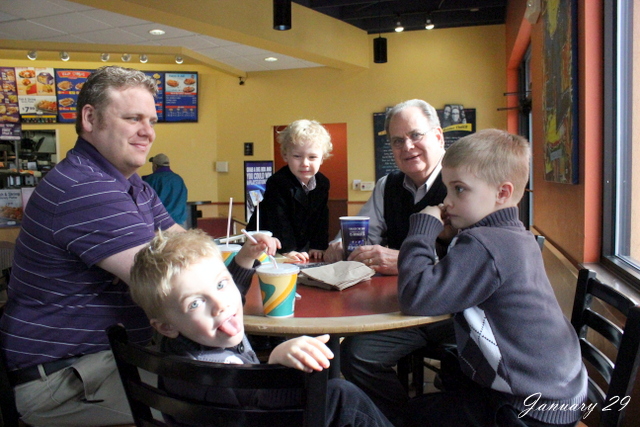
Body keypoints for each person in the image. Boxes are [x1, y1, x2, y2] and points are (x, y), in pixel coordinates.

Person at [0, 66, 185, 427]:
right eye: (133, 118)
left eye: (151, 121)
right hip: (63, 380)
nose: (148, 132)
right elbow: (171, 283)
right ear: (89, 118)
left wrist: (239, 257)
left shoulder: (135, 186)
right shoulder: (85, 187)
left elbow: (189, 250)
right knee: (209, 406)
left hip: (110, 359)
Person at [398, 129, 587, 426]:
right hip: (560, 392)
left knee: (411, 415)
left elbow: (414, 296)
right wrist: (447, 239)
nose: (447, 201)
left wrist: (422, 229)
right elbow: (459, 282)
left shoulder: (484, 244)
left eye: (459, 189)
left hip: (525, 410)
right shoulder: (514, 235)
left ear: (502, 193)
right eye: (447, 189)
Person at [128, 229, 393, 427]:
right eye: (195, 303)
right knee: (340, 396)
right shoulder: (218, 375)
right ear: (165, 326)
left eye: (221, 284)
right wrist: (273, 367)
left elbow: (230, 292)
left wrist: (245, 258)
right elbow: (259, 409)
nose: (221, 305)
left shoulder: (178, 344)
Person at [325, 99, 455, 425]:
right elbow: (360, 232)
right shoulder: (388, 186)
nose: (407, 146)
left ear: (438, 136)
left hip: (456, 312)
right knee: (355, 356)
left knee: (464, 372)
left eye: (415, 135)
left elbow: (476, 263)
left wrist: (408, 260)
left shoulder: (463, 182)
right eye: (397, 141)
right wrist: (339, 245)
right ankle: (399, 420)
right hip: (401, 310)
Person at [247, 119, 333, 263]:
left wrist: (318, 245)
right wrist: (288, 249)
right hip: (268, 244)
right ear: (285, 156)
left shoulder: (323, 183)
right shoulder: (277, 182)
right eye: (297, 156)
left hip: (300, 244)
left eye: (312, 157)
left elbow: (321, 217)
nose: (305, 163)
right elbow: (278, 219)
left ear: (322, 158)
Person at [143, 153, 189, 227]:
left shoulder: (151, 179)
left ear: (155, 166)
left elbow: (144, 202)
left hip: (160, 224)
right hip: (179, 222)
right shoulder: (178, 179)